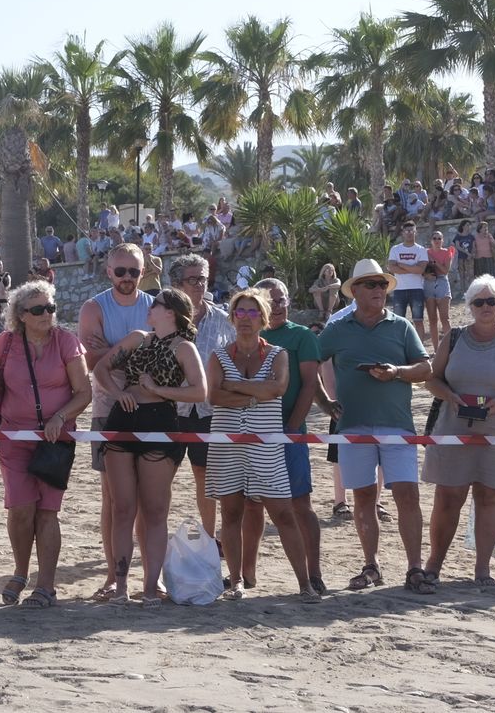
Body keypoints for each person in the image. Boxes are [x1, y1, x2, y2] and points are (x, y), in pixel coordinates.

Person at [317, 259, 432, 594]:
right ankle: (372, 565)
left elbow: (425, 368)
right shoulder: (338, 329)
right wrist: (324, 403)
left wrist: (396, 372)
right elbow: (310, 362)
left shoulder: (401, 326)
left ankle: (415, 567)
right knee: (364, 496)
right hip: (353, 426)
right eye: (371, 284)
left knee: (407, 495)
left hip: (398, 425)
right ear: (355, 291)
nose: (379, 290)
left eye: (382, 284)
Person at [90, 286, 206, 605]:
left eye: (155, 304)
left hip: (160, 422)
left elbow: (200, 392)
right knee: (122, 507)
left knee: (155, 510)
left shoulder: (184, 347)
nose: (149, 307)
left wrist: (160, 390)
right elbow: (100, 368)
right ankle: (122, 585)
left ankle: (151, 586)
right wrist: (118, 393)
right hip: (123, 419)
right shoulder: (138, 337)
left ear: (170, 312)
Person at [420, 275, 495, 588]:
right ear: (469, 306)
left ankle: (483, 570)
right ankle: (433, 565)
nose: (486, 307)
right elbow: (431, 379)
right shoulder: (453, 337)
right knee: (448, 497)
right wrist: (451, 397)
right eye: (479, 302)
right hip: (453, 427)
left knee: (489, 497)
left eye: (492, 301)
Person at [0, 280, 91, 608]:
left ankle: (46, 585)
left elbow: (84, 392)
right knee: (20, 508)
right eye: (38, 309)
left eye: (50, 308)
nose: (47, 314)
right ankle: (20, 571)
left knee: (47, 511)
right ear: (21, 315)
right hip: (13, 436)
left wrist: (60, 417)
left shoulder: (67, 342)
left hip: (55, 441)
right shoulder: (5, 344)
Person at [75, 244, 157, 602]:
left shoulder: (154, 307)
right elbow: (90, 361)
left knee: (149, 498)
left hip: (152, 407)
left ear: (143, 272)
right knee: (114, 500)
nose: (126, 278)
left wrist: (112, 349)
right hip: (107, 407)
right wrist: (129, 350)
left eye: (133, 272)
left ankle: (148, 577)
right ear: (108, 271)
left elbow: (164, 353)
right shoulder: (94, 306)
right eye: (120, 271)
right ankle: (112, 576)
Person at [250, 278, 327, 595]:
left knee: (300, 506)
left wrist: (292, 429)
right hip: (254, 434)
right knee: (250, 507)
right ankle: (246, 575)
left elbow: (310, 384)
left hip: (290, 432)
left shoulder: (301, 336)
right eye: (272, 300)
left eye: (281, 299)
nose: (278, 304)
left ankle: (314, 572)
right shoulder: (249, 337)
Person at [166, 253, 232, 538]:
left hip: (208, 411)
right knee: (160, 478)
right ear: (177, 283)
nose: (199, 285)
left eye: (203, 279)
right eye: (192, 279)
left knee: (206, 478)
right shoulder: (163, 316)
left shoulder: (223, 319)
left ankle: (208, 536)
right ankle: (152, 535)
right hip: (169, 409)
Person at [386, 222, 429, 330]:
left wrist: (401, 264)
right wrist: (412, 268)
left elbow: (421, 270)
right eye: (407, 231)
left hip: (417, 289)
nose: (409, 233)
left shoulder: (421, 250)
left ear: (416, 232)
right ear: (402, 233)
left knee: (418, 321)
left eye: (412, 231)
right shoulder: (395, 249)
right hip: (399, 289)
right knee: (398, 322)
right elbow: (392, 268)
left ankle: (419, 346)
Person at [423, 232, 455, 347]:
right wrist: (425, 275)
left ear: (442, 240)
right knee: (432, 319)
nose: (437, 240)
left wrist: (434, 261)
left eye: (439, 238)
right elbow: (422, 269)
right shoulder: (425, 252)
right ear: (431, 240)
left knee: (445, 318)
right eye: (434, 238)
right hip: (429, 282)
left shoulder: (447, 252)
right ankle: (436, 349)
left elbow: (445, 271)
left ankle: (450, 347)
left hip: (442, 281)